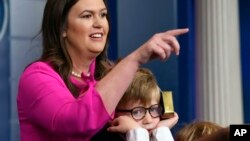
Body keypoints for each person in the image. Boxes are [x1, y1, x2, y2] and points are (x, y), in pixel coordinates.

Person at [17, 0, 189, 140]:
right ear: (62, 28)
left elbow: (152, 112)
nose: (99, 23)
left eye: (103, 15)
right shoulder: (36, 77)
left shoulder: (109, 73)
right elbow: (77, 122)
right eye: (87, 16)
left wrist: (156, 127)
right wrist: (135, 59)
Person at [92, 68, 179, 141]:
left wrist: (162, 130)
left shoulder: (159, 133)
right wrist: (136, 132)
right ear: (113, 113)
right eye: (137, 112)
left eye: (154, 109)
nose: (148, 120)